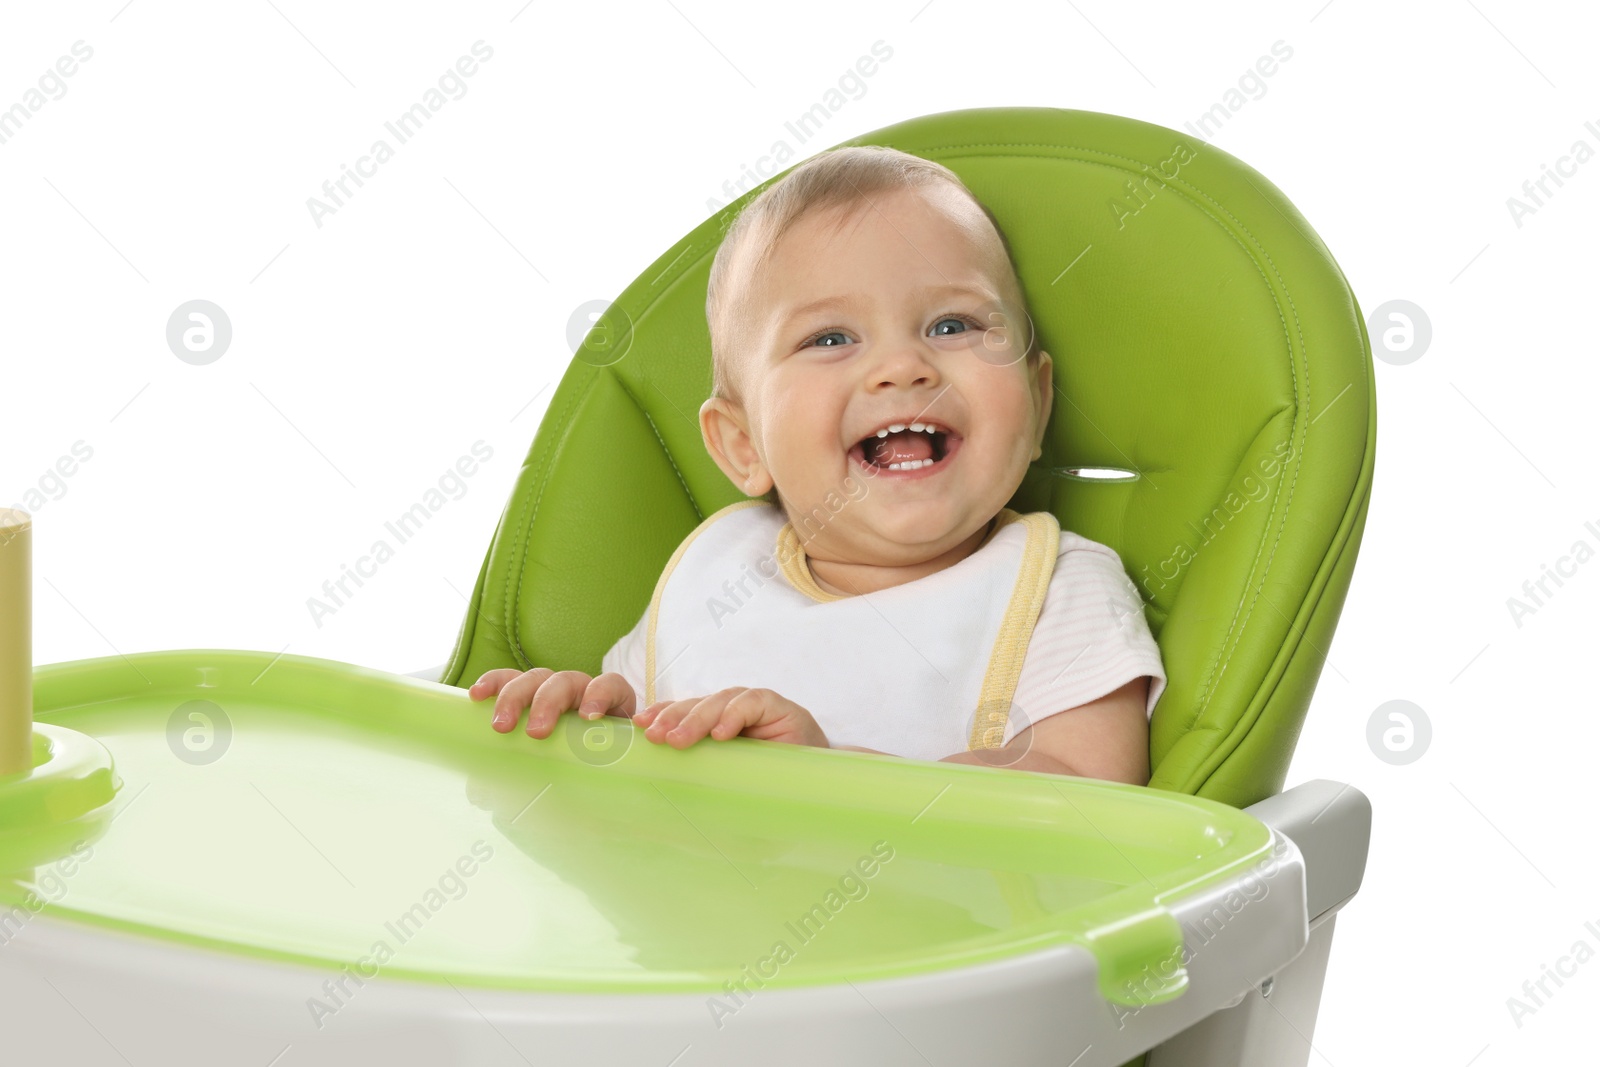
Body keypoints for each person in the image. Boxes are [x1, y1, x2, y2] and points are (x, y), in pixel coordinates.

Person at [470, 145, 1165, 784]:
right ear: (743, 444)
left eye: (953, 325)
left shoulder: (1055, 588)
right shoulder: (712, 577)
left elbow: (1091, 798)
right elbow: (639, 761)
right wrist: (583, 725)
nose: (902, 366)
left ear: (1039, 403)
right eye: (830, 337)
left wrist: (829, 776)